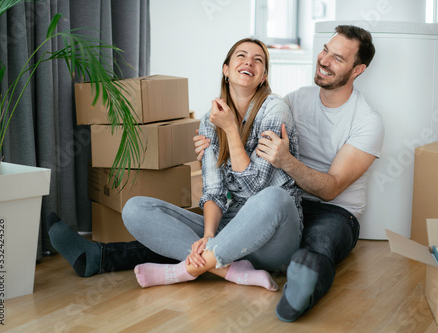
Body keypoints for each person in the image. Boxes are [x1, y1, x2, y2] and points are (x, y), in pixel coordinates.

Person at [46, 38, 303, 291]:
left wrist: (231, 131)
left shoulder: (275, 110)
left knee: (275, 198)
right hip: (229, 230)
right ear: (226, 69)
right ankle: (229, 270)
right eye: (241, 56)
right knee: (135, 208)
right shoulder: (211, 120)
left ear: (263, 77)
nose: (249, 61)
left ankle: (184, 270)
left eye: (258, 60)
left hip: (272, 237)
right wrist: (209, 235)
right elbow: (213, 191)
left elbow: (256, 186)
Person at [194, 25, 384, 321]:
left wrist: (287, 161)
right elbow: (249, 145)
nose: (324, 60)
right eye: (325, 50)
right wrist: (213, 144)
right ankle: (114, 255)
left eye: (338, 58)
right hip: (284, 200)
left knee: (316, 248)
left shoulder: (367, 122)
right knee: (203, 229)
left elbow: (331, 189)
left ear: (358, 69)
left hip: (334, 211)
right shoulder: (294, 101)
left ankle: (299, 296)